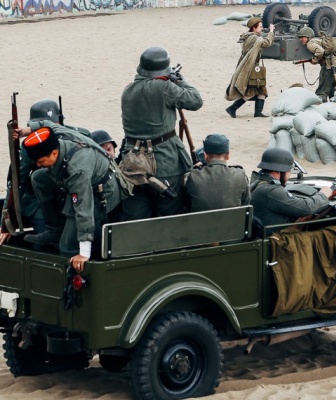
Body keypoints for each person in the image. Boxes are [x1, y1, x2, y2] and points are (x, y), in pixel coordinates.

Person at [22, 127, 124, 272]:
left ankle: (71, 280)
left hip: (102, 194)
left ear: (54, 153)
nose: (38, 165)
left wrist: (84, 252)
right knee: (38, 178)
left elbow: (84, 208)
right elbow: (48, 124)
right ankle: (54, 231)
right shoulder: (59, 135)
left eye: (41, 161)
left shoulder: (77, 170)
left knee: (67, 245)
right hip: (82, 184)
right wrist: (26, 130)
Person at [120, 46, 203, 221]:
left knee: (137, 218)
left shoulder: (128, 90)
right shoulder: (164, 87)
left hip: (132, 164)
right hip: (165, 161)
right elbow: (195, 100)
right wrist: (178, 80)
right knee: (168, 215)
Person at [1, 100, 94, 247]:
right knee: (44, 244)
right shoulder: (32, 147)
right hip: (46, 201)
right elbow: (17, 181)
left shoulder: (80, 135)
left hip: (77, 197)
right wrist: (6, 223)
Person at [250, 148, 331, 227]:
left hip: (265, 231)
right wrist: (323, 195)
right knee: (332, 232)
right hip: (276, 235)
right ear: (278, 171)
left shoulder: (257, 183)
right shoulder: (270, 190)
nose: (290, 175)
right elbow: (306, 208)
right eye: (289, 171)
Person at [183, 134, 250, 212]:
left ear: (205, 156)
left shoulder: (193, 176)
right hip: (234, 220)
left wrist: (195, 170)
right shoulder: (240, 175)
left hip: (200, 220)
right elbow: (246, 205)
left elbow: (186, 204)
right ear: (228, 156)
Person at [225, 17, 275, 118]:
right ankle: (232, 108)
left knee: (262, 90)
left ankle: (258, 113)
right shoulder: (254, 38)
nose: (261, 28)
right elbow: (266, 43)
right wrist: (271, 32)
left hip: (252, 66)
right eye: (260, 27)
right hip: (251, 67)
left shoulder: (250, 36)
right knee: (251, 91)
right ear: (254, 28)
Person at [297, 27, 336, 103]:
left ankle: (322, 108)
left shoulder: (310, 43)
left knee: (321, 93)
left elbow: (320, 51)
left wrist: (315, 60)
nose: (300, 39)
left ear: (308, 37)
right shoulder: (319, 40)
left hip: (330, 67)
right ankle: (334, 106)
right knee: (331, 90)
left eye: (302, 37)